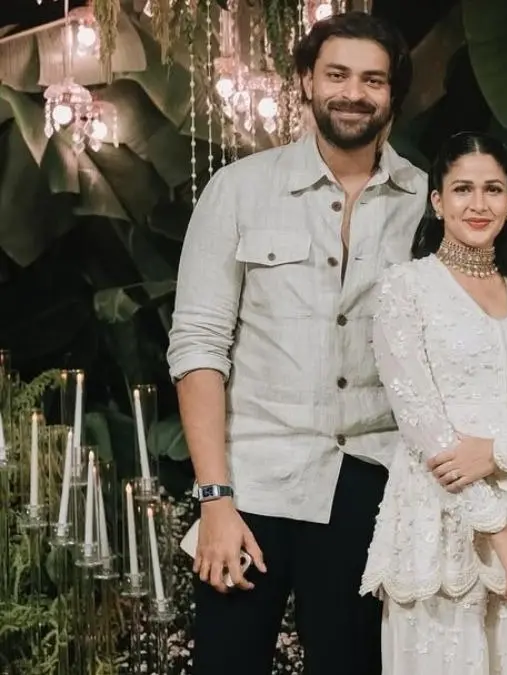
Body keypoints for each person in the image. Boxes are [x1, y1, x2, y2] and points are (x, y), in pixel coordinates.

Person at [165, 12, 423, 675]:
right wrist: (214, 498)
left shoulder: (427, 199)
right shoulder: (239, 191)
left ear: (392, 93)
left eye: (373, 79)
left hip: (370, 480)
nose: (353, 92)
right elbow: (198, 346)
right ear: (306, 81)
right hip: (252, 484)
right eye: (336, 74)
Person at [359, 131, 507, 674]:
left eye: (493, 189)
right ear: (437, 201)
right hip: (444, 528)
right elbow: (425, 431)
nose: (478, 203)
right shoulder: (407, 288)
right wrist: (499, 532)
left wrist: (499, 452)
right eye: (462, 189)